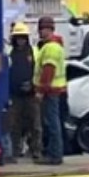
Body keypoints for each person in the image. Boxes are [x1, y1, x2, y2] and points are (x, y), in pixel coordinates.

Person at [4, 22, 39, 164]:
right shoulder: (9, 53)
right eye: (18, 37)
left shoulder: (35, 51)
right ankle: (15, 151)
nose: (20, 40)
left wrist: (33, 85)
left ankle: (36, 150)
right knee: (14, 125)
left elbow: (39, 70)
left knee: (35, 125)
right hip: (15, 95)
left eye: (23, 37)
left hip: (31, 94)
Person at [35, 15, 68, 165]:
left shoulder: (51, 48)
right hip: (55, 90)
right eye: (41, 29)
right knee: (53, 122)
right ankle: (53, 153)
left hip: (51, 91)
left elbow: (48, 71)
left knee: (51, 123)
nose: (41, 32)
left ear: (50, 30)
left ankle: (54, 155)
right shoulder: (53, 46)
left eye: (44, 29)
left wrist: (41, 90)